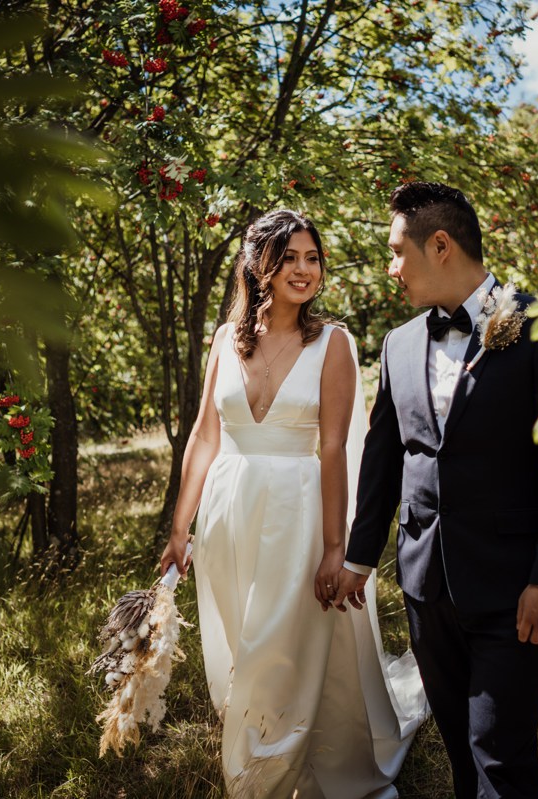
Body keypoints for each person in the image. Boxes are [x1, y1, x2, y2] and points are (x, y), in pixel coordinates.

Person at [333, 182, 538, 798]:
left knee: (500, 757)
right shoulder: (398, 345)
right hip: (425, 584)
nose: (391, 268)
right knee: (460, 750)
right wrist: (358, 558)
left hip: (514, 589)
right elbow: (382, 460)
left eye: (397, 252)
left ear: (440, 245)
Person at [158, 209, 428, 799]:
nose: (304, 270)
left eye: (312, 258)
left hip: (298, 514)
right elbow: (204, 436)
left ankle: (266, 777)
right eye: (289, 258)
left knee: (281, 642)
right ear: (259, 266)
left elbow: (333, 448)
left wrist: (336, 547)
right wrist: (180, 529)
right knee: (243, 640)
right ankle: (260, 741)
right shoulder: (225, 339)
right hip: (229, 511)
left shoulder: (333, 344)